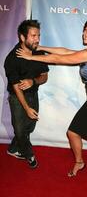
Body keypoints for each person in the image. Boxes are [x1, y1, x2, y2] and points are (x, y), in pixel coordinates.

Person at [16, 17, 87, 180]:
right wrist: (39, 47)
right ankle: (79, 162)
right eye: (85, 30)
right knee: (72, 133)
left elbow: (59, 59)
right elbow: (64, 51)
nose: (85, 34)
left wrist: (31, 56)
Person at [4, 20, 49, 168]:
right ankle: (29, 155)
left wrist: (33, 82)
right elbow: (16, 87)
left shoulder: (39, 52)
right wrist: (26, 108)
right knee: (20, 129)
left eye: (38, 35)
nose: (37, 39)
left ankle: (12, 149)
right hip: (17, 98)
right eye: (33, 36)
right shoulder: (11, 59)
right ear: (22, 37)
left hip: (33, 94)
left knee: (30, 127)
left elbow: (44, 76)